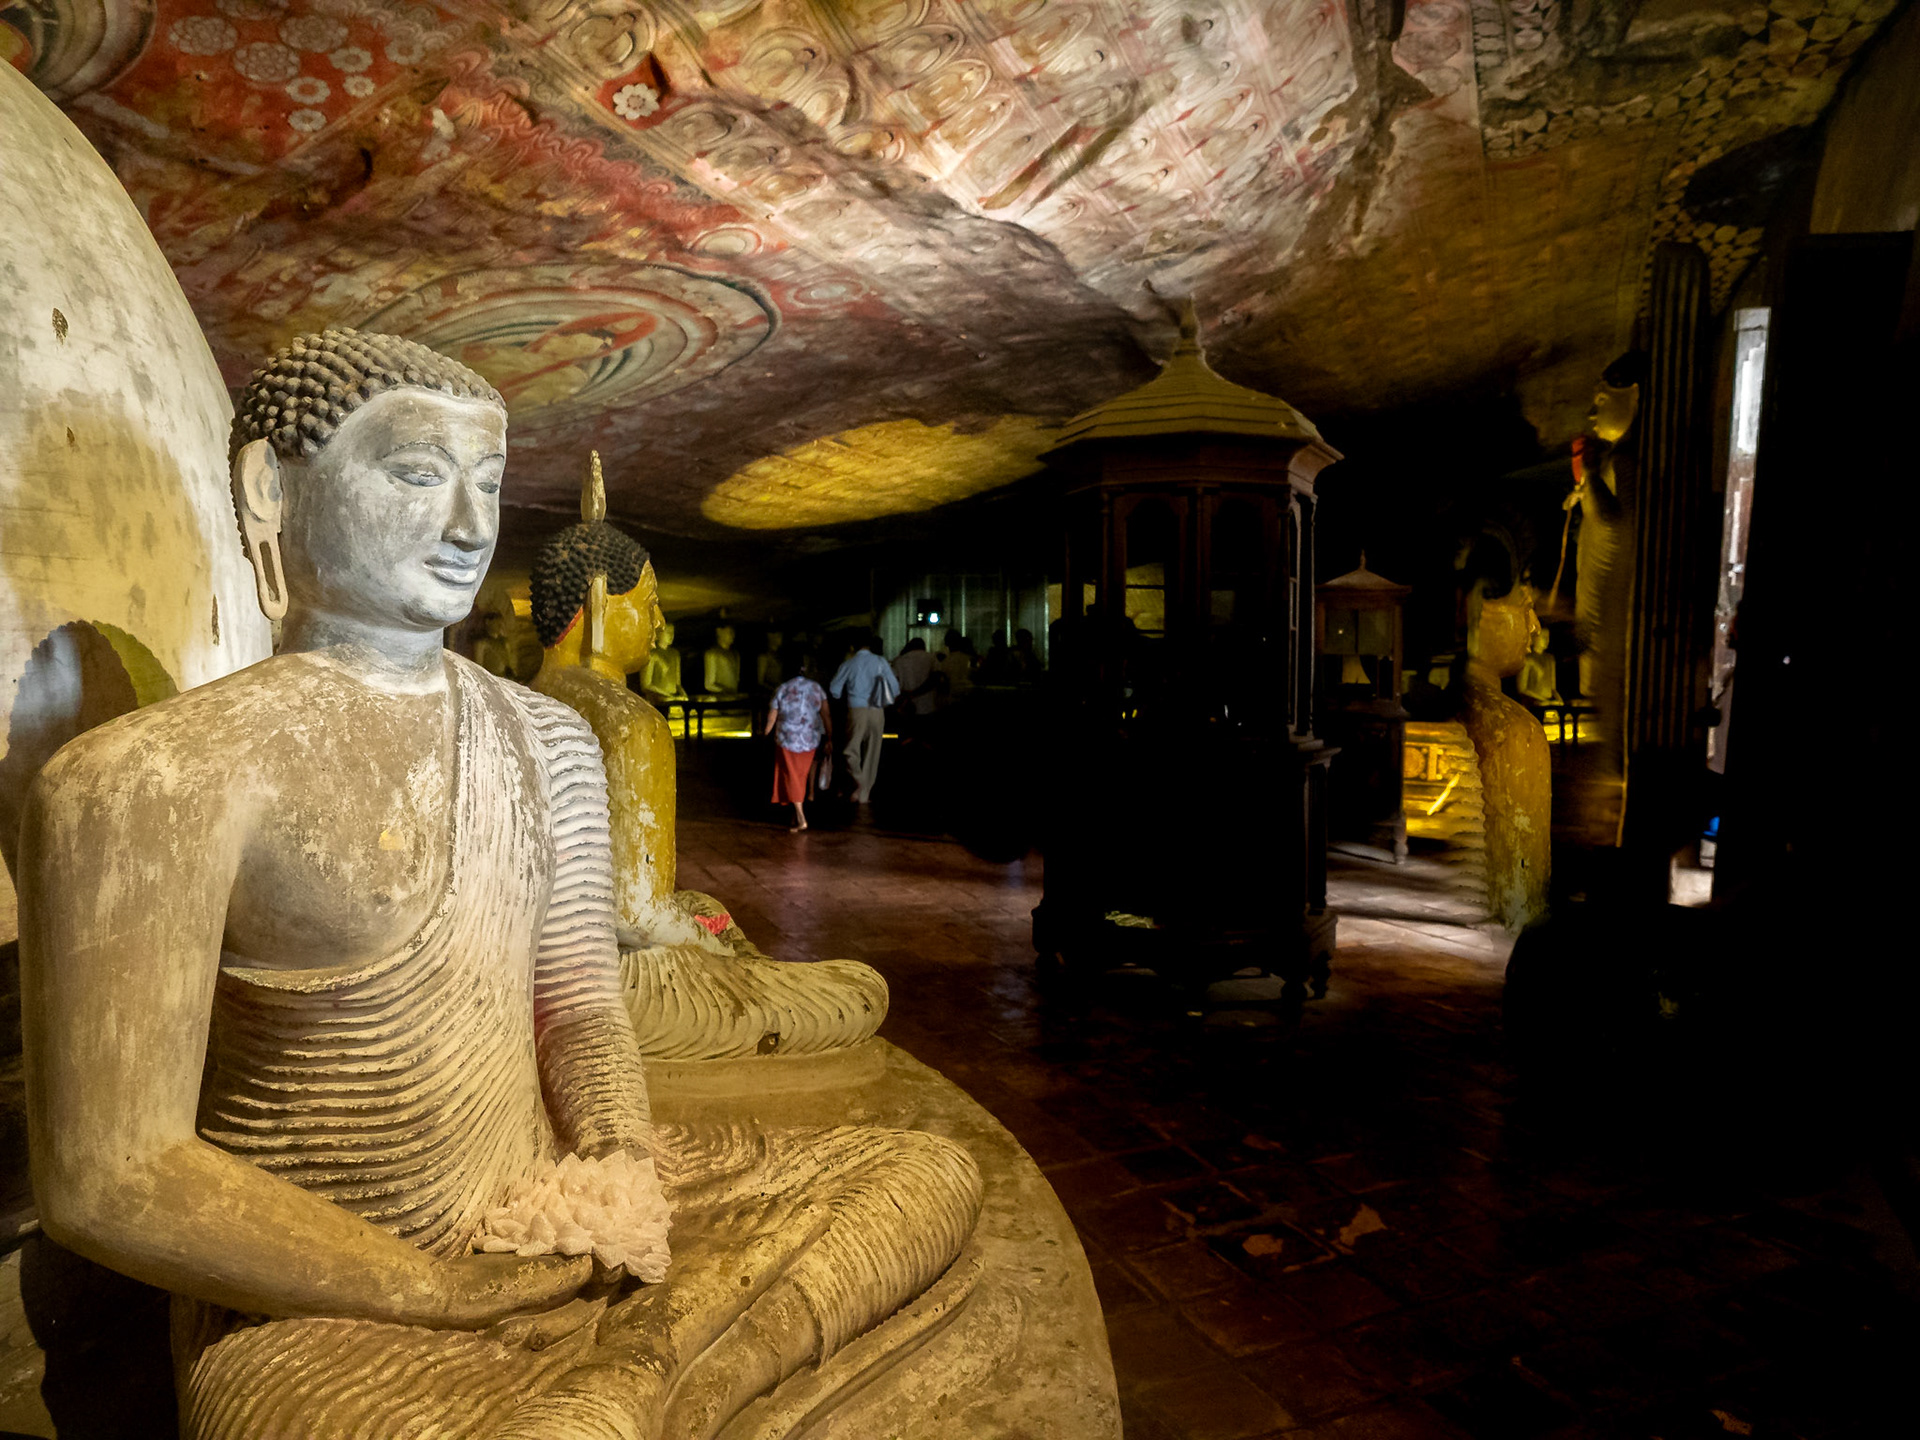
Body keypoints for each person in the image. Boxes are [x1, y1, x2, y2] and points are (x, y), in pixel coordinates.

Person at [829, 631, 898, 805]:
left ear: (853, 646)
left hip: (856, 709)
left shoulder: (849, 663)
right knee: (873, 751)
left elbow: (834, 690)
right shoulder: (881, 662)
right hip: (877, 710)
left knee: (851, 750)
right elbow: (895, 687)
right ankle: (864, 793)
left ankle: (858, 781)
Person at [766, 660, 830, 831]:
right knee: (800, 775)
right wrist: (830, 737)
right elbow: (826, 715)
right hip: (810, 740)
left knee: (792, 776)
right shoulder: (816, 688)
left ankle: (801, 818)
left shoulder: (782, 689)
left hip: (787, 739)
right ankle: (797, 812)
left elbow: (772, 717)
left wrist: (765, 733)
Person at [892, 636, 938, 733]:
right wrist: (915, 693)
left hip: (906, 706)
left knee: (908, 734)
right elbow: (936, 678)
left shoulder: (899, 660)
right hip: (928, 705)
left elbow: (895, 683)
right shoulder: (931, 658)